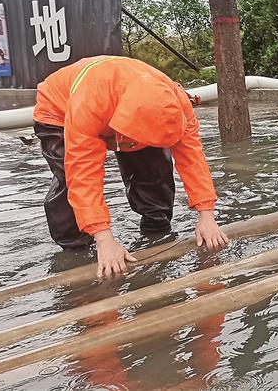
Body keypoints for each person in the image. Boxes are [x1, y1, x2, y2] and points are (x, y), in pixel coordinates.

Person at [33, 55, 229, 278]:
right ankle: (76, 251)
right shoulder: (91, 104)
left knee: (153, 170)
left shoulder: (177, 104)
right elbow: (83, 175)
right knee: (69, 183)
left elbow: (193, 159)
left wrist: (207, 214)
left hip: (126, 102)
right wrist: (104, 237)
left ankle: (157, 232)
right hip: (60, 110)